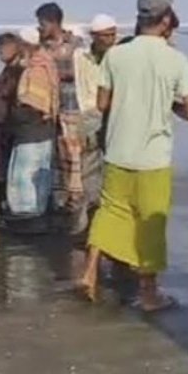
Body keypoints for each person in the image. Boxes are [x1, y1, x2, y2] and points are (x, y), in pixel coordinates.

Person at [80, 0, 188, 311]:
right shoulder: (176, 59)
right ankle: (149, 292)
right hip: (153, 156)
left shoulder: (116, 55)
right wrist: (168, 103)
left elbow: (101, 103)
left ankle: (90, 272)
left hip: (117, 150)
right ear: (165, 21)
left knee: (110, 212)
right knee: (150, 222)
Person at [37, 2, 85, 220]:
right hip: (52, 110)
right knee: (57, 156)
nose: (41, 28)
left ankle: (76, 200)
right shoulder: (42, 47)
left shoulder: (75, 44)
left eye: (43, 24)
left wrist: (59, 76)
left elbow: (84, 72)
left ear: (53, 22)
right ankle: (62, 201)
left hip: (72, 106)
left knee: (74, 155)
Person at [72, 14, 119, 233]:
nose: (109, 40)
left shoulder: (119, 56)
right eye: (104, 36)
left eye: (112, 35)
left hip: (114, 116)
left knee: (112, 173)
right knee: (88, 174)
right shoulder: (80, 56)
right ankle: (89, 226)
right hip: (89, 117)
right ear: (94, 37)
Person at [6, 27, 58, 218]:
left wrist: (14, 117)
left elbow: (34, 104)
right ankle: (36, 214)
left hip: (32, 130)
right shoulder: (44, 64)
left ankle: (27, 216)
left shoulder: (37, 69)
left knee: (25, 176)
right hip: (41, 131)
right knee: (38, 176)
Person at [0, 32, 23, 210]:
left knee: (9, 167)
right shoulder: (7, 70)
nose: (0, 52)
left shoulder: (18, 71)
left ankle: (7, 204)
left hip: (11, 125)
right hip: (2, 125)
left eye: (3, 47)